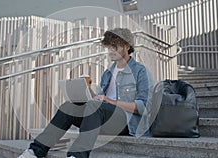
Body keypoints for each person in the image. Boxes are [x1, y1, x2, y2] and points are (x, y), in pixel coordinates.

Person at [18, 28, 151, 158]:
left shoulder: (140, 71)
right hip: (104, 118)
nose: (111, 51)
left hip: (127, 123)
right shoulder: (108, 73)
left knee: (95, 107)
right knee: (68, 107)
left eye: (114, 47)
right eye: (109, 47)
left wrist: (110, 101)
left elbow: (142, 107)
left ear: (127, 47)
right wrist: (87, 90)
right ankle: (35, 151)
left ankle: (78, 156)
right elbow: (99, 102)